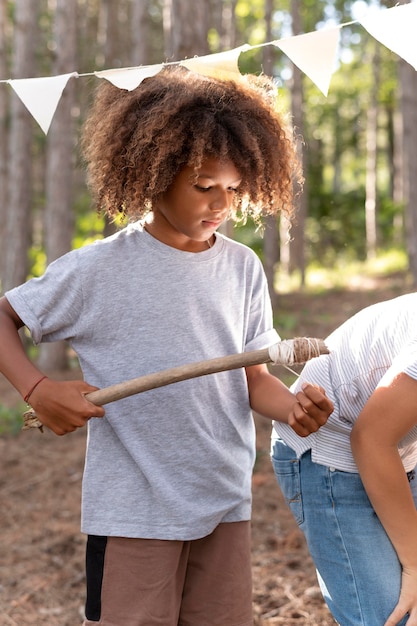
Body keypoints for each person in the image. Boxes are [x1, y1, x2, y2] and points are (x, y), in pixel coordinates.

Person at [0, 66, 333, 626]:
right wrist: (37, 387)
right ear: (151, 172)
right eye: (204, 186)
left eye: (233, 188)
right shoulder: (98, 270)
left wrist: (294, 407)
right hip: (135, 511)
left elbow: (254, 378)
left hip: (224, 500)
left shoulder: (242, 268)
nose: (221, 203)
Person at [271, 292, 417, 626]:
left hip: (399, 445)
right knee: (390, 616)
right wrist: (414, 563)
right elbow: (371, 438)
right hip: (330, 445)